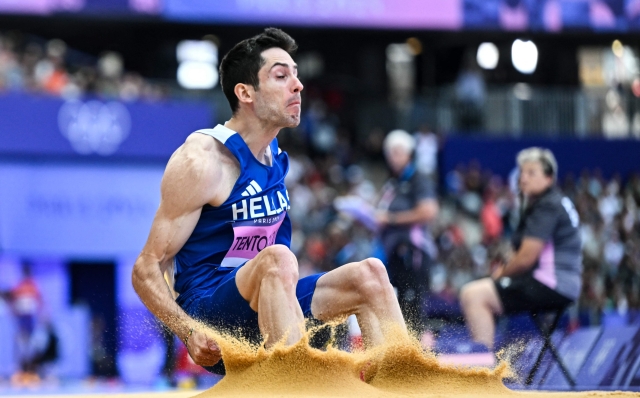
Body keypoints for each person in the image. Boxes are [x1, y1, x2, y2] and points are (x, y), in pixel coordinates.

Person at [131, 28, 406, 375]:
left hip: (274, 304)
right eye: (281, 75)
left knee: (371, 274)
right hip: (216, 322)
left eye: (296, 74)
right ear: (245, 92)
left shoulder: (274, 155)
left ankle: (400, 382)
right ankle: (293, 384)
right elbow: (146, 268)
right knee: (277, 259)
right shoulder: (201, 161)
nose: (298, 85)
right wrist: (188, 331)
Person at [459, 147, 582, 350]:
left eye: (531, 173)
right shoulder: (556, 201)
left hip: (551, 283)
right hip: (563, 283)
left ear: (549, 178)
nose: (523, 178)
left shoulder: (547, 205)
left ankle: (481, 372)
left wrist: (500, 275)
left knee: (473, 294)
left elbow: (526, 258)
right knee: (480, 290)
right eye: (522, 172)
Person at [375, 129, 439, 329]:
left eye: (398, 152)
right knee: (397, 307)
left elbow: (428, 211)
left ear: (409, 153)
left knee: (411, 310)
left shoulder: (418, 179)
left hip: (412, 251)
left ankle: (415, 356)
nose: (393, 158)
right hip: (392, 251)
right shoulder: (393, 182)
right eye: (390, 153)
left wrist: (391, 219)